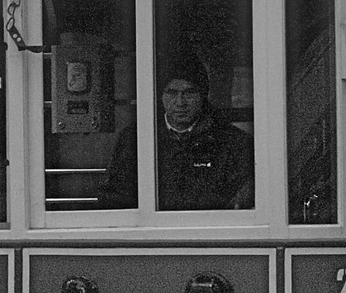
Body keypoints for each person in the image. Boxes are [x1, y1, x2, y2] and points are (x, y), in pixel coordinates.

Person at [96, 53, 254, 211]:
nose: (180, 102)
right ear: (160, 96)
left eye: (190, 93)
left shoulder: (232, 142)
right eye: (172, 93)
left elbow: (243, 199)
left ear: (202, 96)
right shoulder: (136, 139)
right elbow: (113, 197)